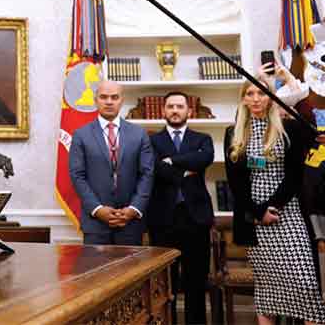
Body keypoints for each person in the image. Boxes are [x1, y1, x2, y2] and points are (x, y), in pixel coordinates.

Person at [224, 76, 325, 324]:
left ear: (271, 98)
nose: (256, 99)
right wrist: (258, 212)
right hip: (254, 218)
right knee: (267, 290)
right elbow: (235, 182)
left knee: (306, 284)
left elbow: (294, 176)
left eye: (262, 93)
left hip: (287, 211)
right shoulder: (233, 133)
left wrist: (273, 207)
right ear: (243, 99)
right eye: (250, 94)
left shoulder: (289, 128)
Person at [147, 91, 214, 325]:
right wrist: (186, 169)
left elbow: (205, 158)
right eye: (170, 106)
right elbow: (156, 169)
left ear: (189, 111)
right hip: (163, 220)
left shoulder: (202, 139)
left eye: (180, 106)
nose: (175, 110)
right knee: (165, 286)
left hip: (196, 219)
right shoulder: (152, 141)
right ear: (163, 111)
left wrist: (172, 161)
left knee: (196, 283)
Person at [68, 80, 154, 245]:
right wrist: (98, 209)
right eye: (103, 97)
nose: (109, 102)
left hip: (130, 223)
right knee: (95, 263)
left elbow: (147, 174)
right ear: (95, 100)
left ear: (122, 101)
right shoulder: (81, 135)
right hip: (95, 223)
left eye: (114, 97)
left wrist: (133, 209)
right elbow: (77, 176)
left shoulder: (139, 134)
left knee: (131, 264)